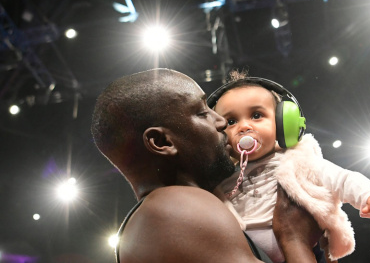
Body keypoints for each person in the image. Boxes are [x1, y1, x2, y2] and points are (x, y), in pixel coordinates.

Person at [91, 68, 323, 263]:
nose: (220, 121)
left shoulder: (164, 213)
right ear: (162, 142)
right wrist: (294, 239)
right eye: (202, 112)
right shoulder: (174, 208)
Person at [208, 71, 370, 262]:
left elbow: (343, 179)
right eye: (231, 121)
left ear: (284, 123)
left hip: (307, 250)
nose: (244, 126)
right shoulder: (220, 178)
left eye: (256, 115)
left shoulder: (299, 161)